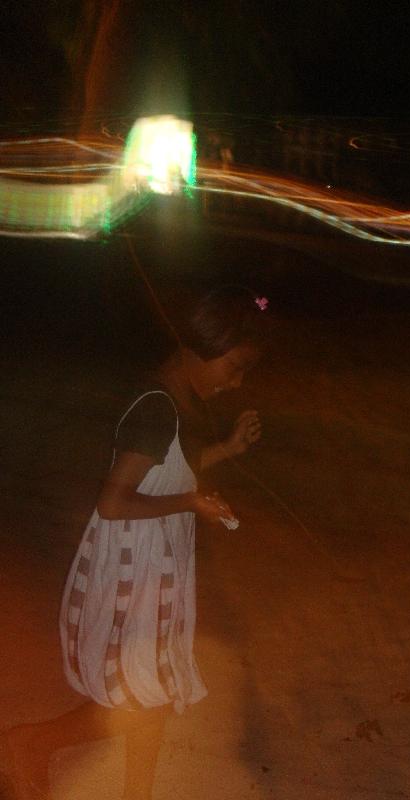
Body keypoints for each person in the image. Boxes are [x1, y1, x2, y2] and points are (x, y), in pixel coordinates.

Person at [4, 285, 270, 800]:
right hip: (130, 567)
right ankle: (31, 743)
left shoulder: (180, 401)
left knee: (152, 691)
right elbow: (114, 502)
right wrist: (190, 504)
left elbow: (174, 472)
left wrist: (226, 449)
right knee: (142, 695)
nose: (236, 383)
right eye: (233, 367)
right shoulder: (156, 409)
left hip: (156, 566)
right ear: (198, 348)